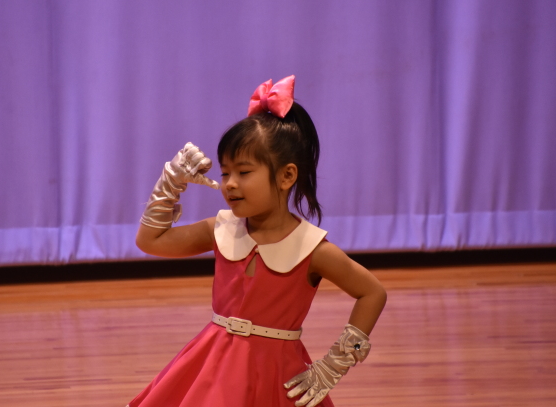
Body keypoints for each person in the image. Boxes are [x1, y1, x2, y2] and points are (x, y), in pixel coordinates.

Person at [128, 75, 387, 407]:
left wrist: (333, 366)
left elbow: (372, 293)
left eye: (244, 172)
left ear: (286, 175)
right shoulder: (221, 229)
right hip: (213, 367)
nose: (230, 184)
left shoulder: (313, 249)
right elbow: (151, 241)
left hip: (278, 377)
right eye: (225, 172)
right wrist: (170, 183)